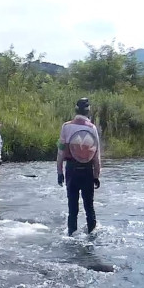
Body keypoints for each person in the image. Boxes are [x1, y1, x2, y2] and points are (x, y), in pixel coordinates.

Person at [57, 98, 102, 236]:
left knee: (72, 207)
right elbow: (96, 155)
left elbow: (60, 151)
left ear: (76, 110)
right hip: (87, 170)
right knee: (89, 207)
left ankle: (71, 233)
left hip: (71, 169)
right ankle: (92, 235)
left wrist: (60, 172)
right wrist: (96, 176)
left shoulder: (66, 126)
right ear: (88, 112)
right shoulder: (92, 128)